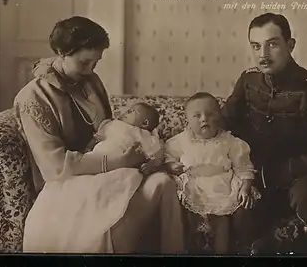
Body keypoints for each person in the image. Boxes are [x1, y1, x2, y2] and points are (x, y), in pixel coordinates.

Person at [14, 16, 185, 254]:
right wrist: (120, 161)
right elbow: (54, 166)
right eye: (85, 62)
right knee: (108, 230)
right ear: (62, 52)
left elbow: (110, 129)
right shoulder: (33, 97)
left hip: (114, 169)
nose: (91, 70)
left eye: (96, 63)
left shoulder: (90, 81)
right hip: (69, 179)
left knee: (163, 183)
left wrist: (146, 157)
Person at [221, 13, 307, 254]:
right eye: (256, 46)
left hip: (303, 176)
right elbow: (224, 124)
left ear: (291, 45)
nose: (263, 55)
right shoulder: (248, 80)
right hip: (260, 177)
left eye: (272, 44)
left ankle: (297, 244)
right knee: (242, 218)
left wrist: (269, 174)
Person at [164, 92, 260, 254]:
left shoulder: (230, 142)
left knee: (220, 220)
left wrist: (245, 186)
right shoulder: (180, 141)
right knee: (186, 216)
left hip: (222, 186)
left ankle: (221, 254)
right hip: (193, 185)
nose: (204, 119)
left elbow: (243, 167)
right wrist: (172, 166)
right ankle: (188, 250)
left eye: (210, 114)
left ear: (219, 115)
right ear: (187, 119)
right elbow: (167, 157)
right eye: (197, 115)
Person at [85, 102, 165, 175]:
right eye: (128, 110)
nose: (126, 112)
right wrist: (90, 146)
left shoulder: (142, 134)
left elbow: (158, 154)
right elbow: (97, 137)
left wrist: (151, 165)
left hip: (120, 163)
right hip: (97, 156)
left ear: (145, 123)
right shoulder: (113, 123)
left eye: (131, 111)